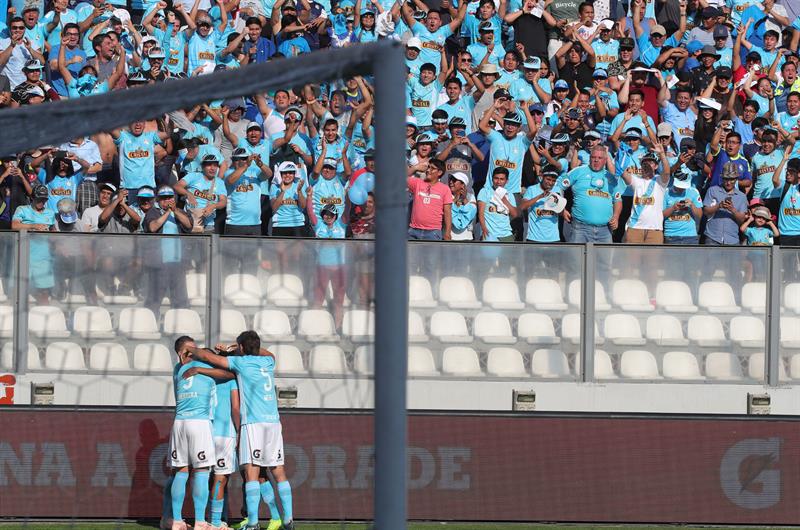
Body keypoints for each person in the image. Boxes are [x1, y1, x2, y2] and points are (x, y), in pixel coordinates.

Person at [187, 332, 295, 530]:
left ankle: (253, 523)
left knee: (252, 473)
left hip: (253, 424)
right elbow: (268, 353)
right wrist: (234, 347)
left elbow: (209, 358)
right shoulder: (268, 363)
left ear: (242, 348)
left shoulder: (241, 364)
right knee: (278, 471)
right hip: (273, 423)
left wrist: (190, 351)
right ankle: (288, 520)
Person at [166, 335, 217, 530]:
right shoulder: (205, 367)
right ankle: (200, 522)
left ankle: (177, 521)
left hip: (180, 422)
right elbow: (229, 373)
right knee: (202, 472)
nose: (196, 352)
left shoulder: (177, 370)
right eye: (191, 349)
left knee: (181, 471)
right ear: (181, 353)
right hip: (199, 422)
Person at [11, 184, 55, 304]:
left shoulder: (50, 213)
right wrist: (33, 226)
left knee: (44, 293)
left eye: (44, 199)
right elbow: (14, 225)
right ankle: (21, 320)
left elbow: (54, 232)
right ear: (32, 197)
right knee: (20, 293)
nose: (42, 202)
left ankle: (44, 319)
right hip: (24, 257)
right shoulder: (22, 209)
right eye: (39, 198)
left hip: (44, 259)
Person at [174, 154, 228, 234]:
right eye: (209, 165)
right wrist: (188, 194)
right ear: (202, 167)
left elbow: (223, 201)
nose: (212, 168)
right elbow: (177, 186)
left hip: (209, 224)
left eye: (215, 165)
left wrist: (213, 206)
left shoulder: (220, 182)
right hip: (190, 222)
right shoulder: (193, 176)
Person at [407, 158, 453, 240]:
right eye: (428, 167)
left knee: (433, 254)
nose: (428, 170)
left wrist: (447, 232)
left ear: (439, 172)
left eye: (432, 168)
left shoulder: (445, 189)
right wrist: (415, 168)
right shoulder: (417, 183)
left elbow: (447, 212)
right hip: (413, 230)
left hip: (433, 232)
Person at [519, 169, 562, 243]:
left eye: (553, 181)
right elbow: (522, 206)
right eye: (548, 179)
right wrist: (540, 196)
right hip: (534, 238)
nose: (550, 183)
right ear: (542, 177)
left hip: (554, 239)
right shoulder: (532, 189)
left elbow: (561, 211)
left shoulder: (557, 190)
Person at [662, 171, 703, 245]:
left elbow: (700, 215)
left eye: (683, 187)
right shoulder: (666, 192)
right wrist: (673, 208)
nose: (681, 189)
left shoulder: (694, 191)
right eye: (679, 186)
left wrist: (691, 205)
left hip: (690, 236)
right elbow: (661, 215)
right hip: (671, 236)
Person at [448, 172, 477, 241]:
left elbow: (470, 214)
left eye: (454, 180)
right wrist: (455, 200)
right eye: (450, 179)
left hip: (466, 238)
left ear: (462, 185)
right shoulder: (446, 195)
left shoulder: (470, 196)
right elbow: (447, 213)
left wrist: (464, 199)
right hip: (449, 237)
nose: (451, 182)